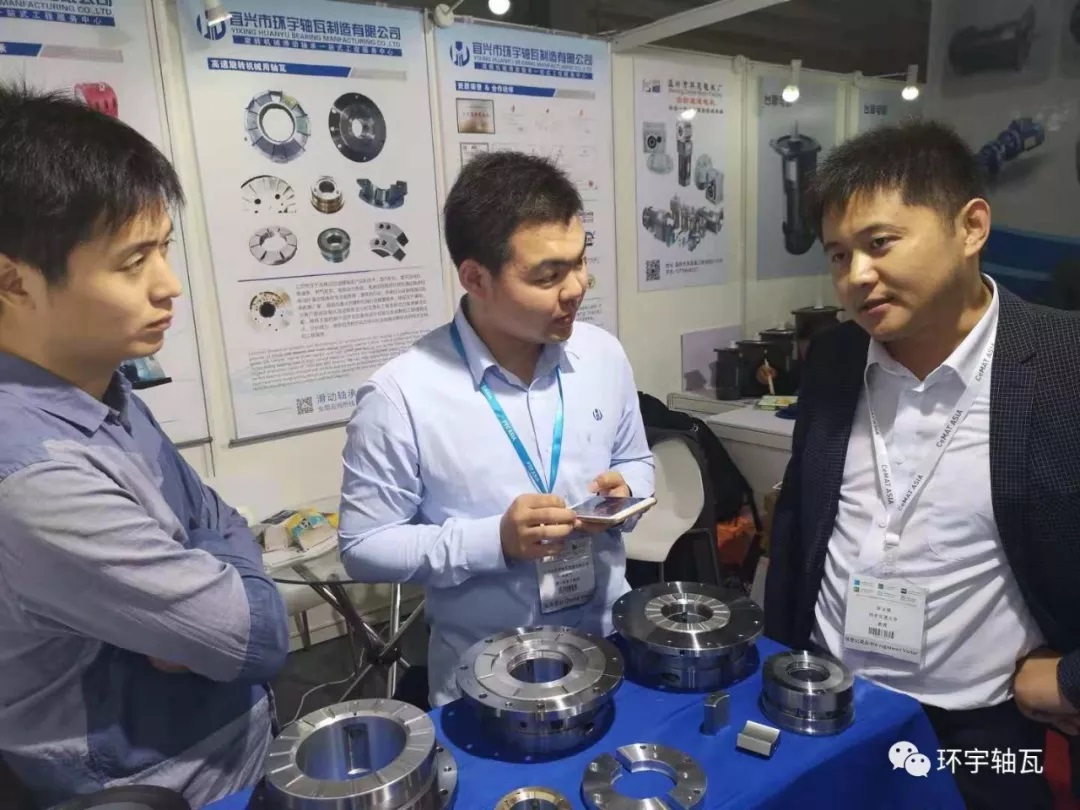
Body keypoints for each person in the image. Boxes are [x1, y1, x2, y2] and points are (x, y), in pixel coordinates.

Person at [764, 119, 1080, 810]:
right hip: (829, 703)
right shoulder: (835, 359)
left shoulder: (1064, 366)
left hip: (985, 724)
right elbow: (799, 527)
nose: (856, 276)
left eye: (879, 243)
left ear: (971, 227)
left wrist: (1071, 680)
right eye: (838, 255)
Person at [0, 84, 288, 806]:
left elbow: (216, 518)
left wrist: (204, 565)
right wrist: (217, 572)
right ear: (12, 281)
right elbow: (257, 638)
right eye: (134, 263)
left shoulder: (99, 385)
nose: (170, 286)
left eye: (164, 250)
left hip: (236, 749)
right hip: (157, 787)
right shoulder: (33, 477)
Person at [338, 151, 655, 707]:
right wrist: (495, 541)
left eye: (581, 261)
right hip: (486, 680)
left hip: (609, 651)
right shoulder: (401, 395)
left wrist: (627, 490)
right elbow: (364, 546)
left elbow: (637, 460)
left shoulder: (603, 356)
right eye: (548, 275)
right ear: (475, 277)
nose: (576, 287)